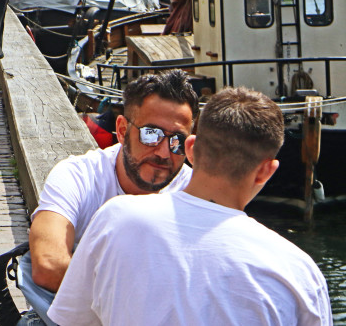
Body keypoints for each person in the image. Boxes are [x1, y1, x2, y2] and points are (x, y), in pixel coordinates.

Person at [49, 87, 330, 326]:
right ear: (266, 171)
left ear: (192, 149)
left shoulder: (115, 218)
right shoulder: (300, 274)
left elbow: (69, 319)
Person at [21, 71, 198, 323]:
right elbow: (48, 264)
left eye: (177, 140)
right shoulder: (78, 176)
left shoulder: (196, 192)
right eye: (151, 134)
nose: (163, 152)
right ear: (123, 130)